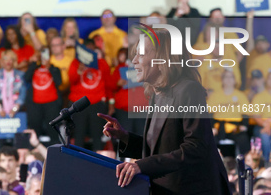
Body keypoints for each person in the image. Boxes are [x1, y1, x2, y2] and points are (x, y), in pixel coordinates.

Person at [98, 29, 231, 194]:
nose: (134, 61)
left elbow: (196, 147)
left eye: (140, 54)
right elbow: (160, 150)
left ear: (162, 57)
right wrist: (124, 136)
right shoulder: (157, 93)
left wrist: (141, 165)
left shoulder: (189, 90)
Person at [68, 39, 111, 151]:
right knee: (79, 135)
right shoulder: (76, 63)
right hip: (79, 104)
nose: (90, 51)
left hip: (97, 103)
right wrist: (79, 71)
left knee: (97, 135)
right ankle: (76, 162)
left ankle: (98, 163)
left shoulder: (101, 63)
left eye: (92, 49)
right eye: (87, 49)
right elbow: (71, 80)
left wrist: (110, 103)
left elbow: (109, 84)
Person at [24, 49, 62, 144]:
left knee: (53, 129)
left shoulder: (55, 68)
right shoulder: (34, 68)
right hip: (35, 105)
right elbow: (26, 78)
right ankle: (34, 151)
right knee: (35, 129)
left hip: (51, 104)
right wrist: (33, 63)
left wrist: (50, 68)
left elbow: (59, 82)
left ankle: (54, 150)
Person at [208, 69, 250, 154]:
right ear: (222, 80)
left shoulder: (241, 95)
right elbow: (209, 113)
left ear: (235, 80)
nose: (228, 79)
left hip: (235, 128)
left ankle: (244, 164)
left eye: (231, 77)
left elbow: (246, 113)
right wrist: (211, 128)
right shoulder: (215, 96)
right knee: (208, 139)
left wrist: (244, 126)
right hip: (218, 127)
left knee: (244, 139)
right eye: (226, 77)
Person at [0, 50, 26, 118]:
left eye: (11, 59)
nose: (8, 61)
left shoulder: (20, 75)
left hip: (17, 110)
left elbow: (22, 94)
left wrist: (14, 109)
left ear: (14, 61)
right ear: (2, 61)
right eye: (6, 59)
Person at [252, 70, 271, 161]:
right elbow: (256, 115)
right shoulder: (259, 96)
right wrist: (265, 125)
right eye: (270, 78)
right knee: (264, 136)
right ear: (266, 80)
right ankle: (269, 163)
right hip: (261, 126)